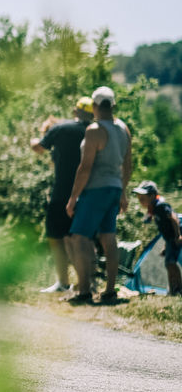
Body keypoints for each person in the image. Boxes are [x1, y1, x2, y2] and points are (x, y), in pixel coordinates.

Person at [65, 86, 132, 305]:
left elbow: (85, 167)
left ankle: (85, 290)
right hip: (114, 189)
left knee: (79, 237)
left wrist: (73, 197)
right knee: (108, 236)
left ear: (95, 106)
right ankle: (110, 289)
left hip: (96, 189)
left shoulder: (94, 130)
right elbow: (128, 165)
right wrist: (122, 192)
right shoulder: (124, 129)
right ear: (112, 105)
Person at [30, 96, 95, 293]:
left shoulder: (60, 129)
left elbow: (38, 147)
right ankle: (88, 283)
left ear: (75, 112)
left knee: (55, 235)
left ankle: (63, 282)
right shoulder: (95, 132)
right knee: (81, 239)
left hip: (62, 193)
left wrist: (33, 139)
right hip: (89, 192)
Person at [132, 181, 181, 296]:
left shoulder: (160, 206)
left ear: (152, 196)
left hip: (176, 235)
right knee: (169, 263)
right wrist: (166, 244)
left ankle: (178, 289)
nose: (140, 200)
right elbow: (165, 229)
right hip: (170, 238)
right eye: (139, 198)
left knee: (171, 263)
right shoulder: (153, 208)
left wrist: (178, 235)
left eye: (143, 198)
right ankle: (173, 290)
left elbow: (174, 218)